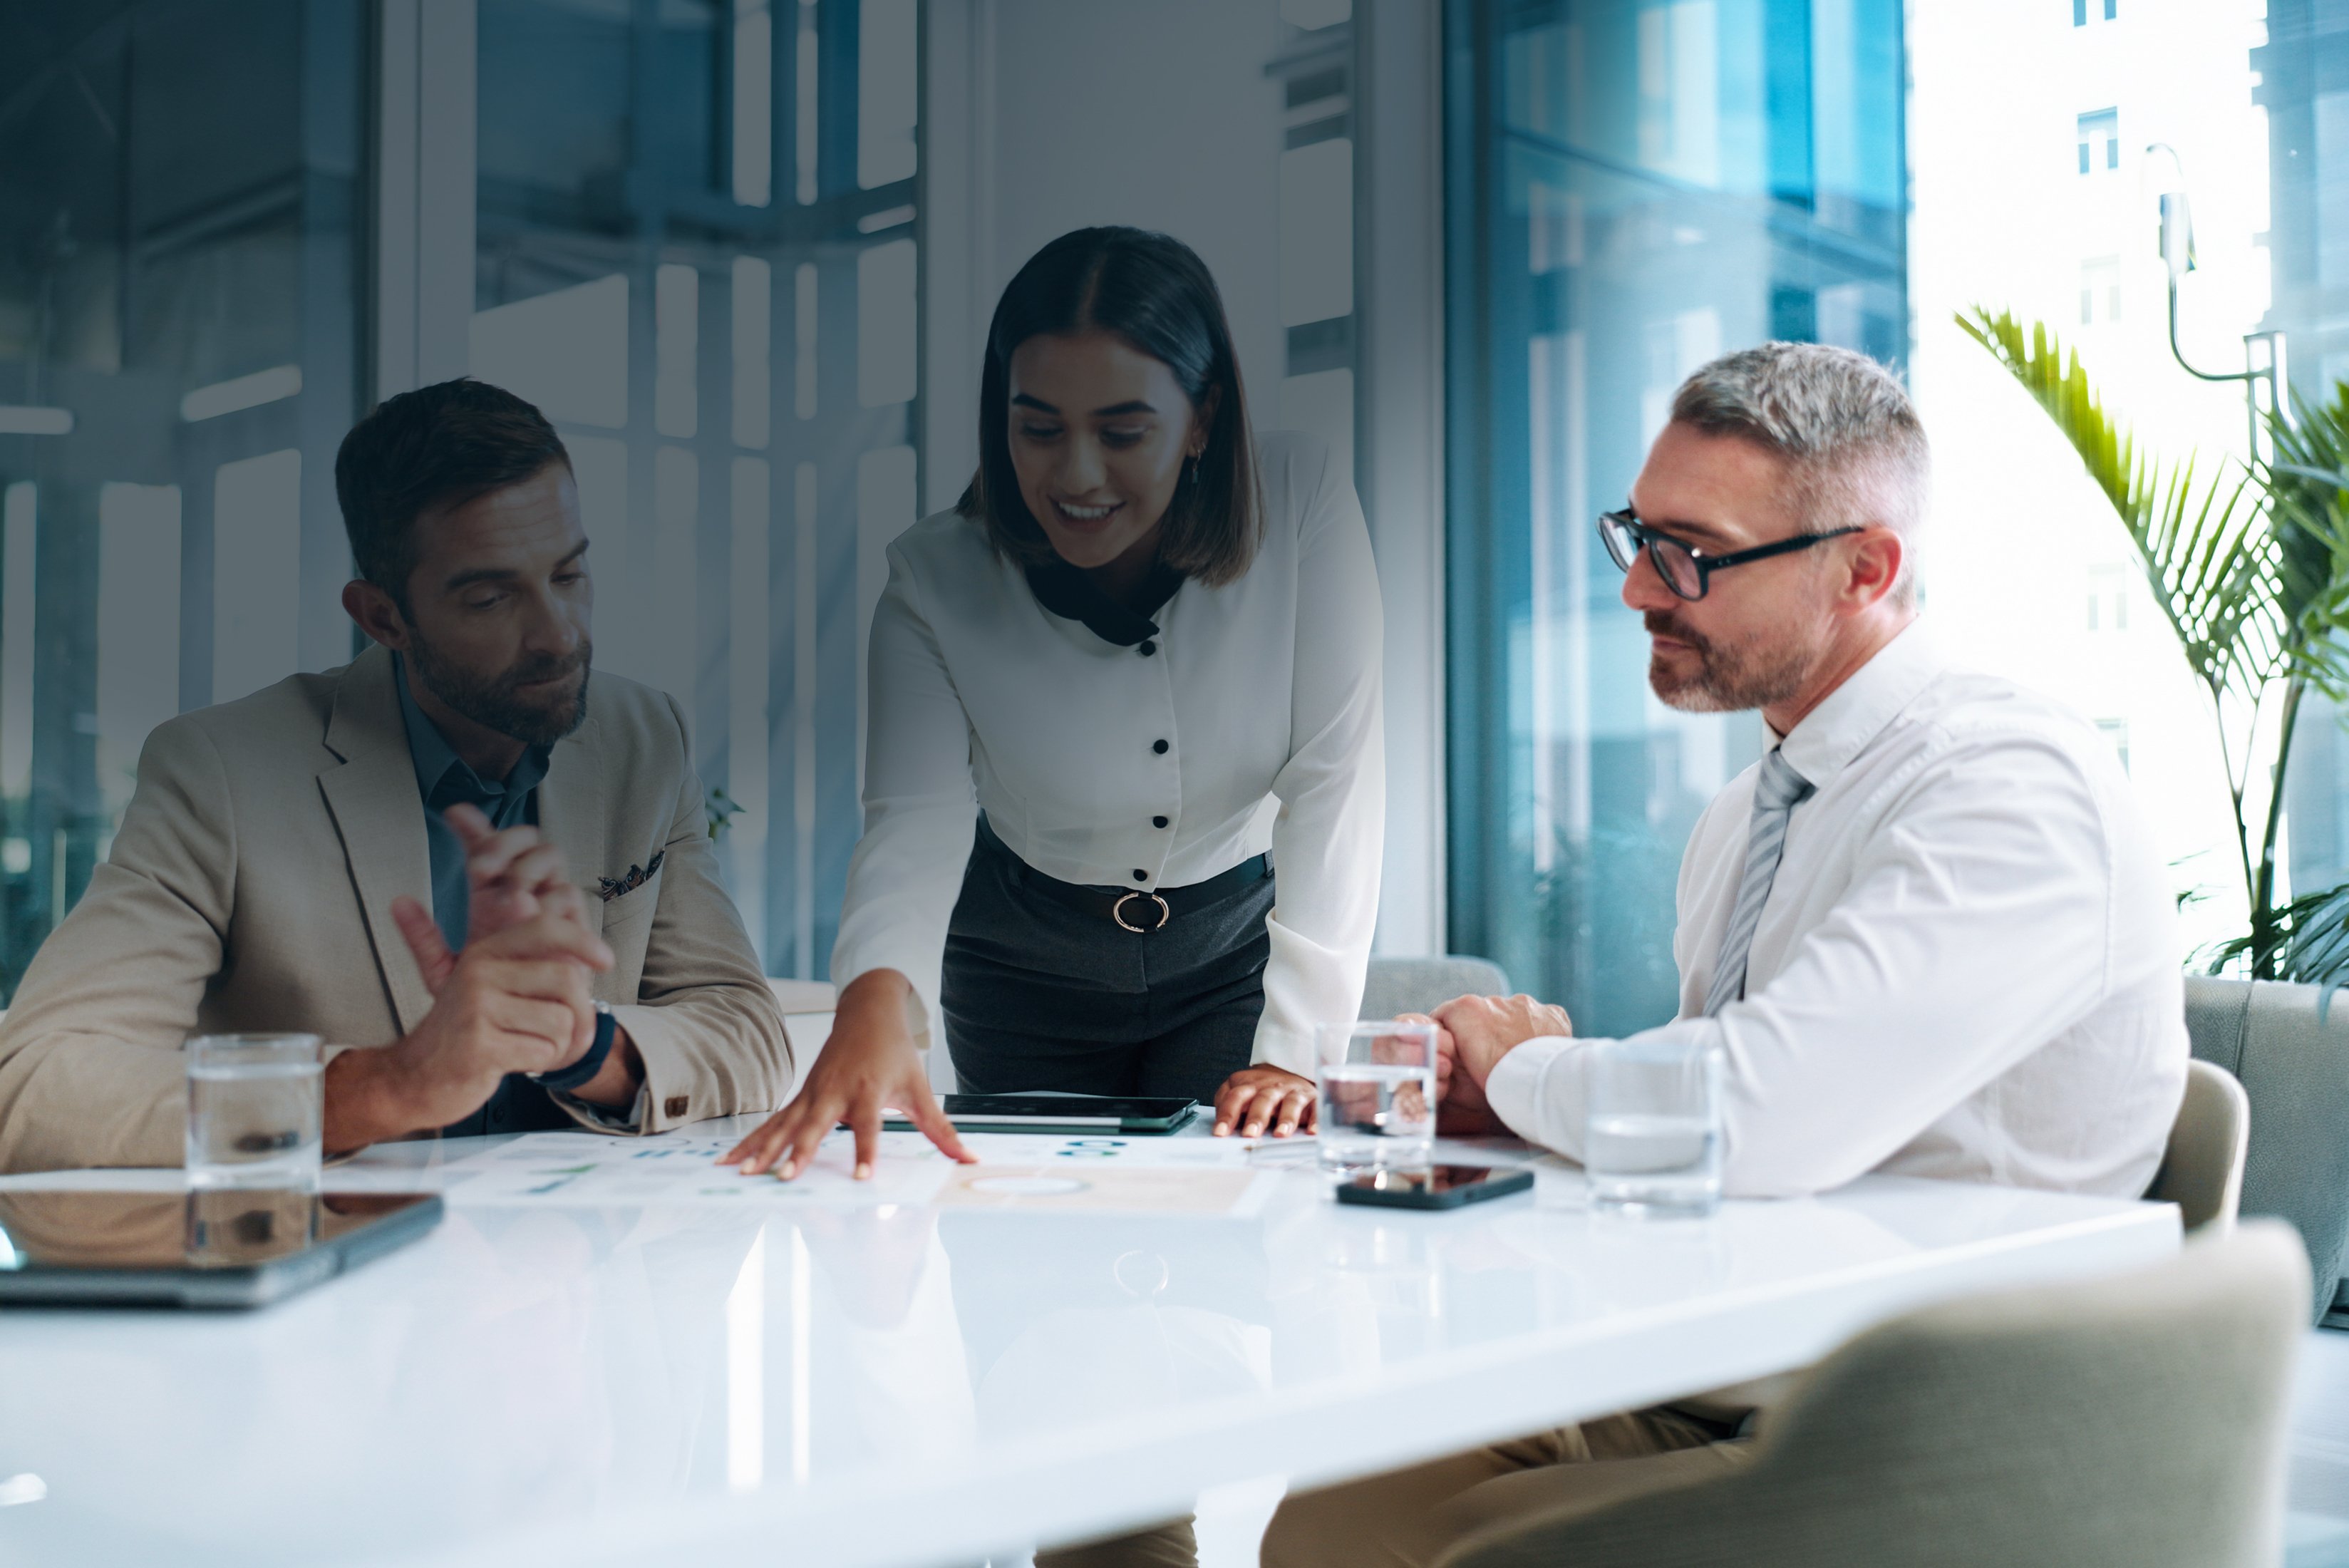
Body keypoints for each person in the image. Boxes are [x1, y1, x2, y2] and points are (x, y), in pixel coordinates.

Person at [1259, 342, 2190, 1568]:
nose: (1641, 591)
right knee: (1329, 1513)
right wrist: (1518, 1105)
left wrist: (1529, 1072)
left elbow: (1751, 1113)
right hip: (1724, 1366)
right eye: (1635, 537)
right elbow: (1724, 1120)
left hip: (1914, 1429)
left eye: (1689, 553)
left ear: (1865, 569)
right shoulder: (1748, 818)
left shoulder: (2008, 790)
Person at [727, 227, 1384, 1187]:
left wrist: (1297, 1043)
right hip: (1021, 973)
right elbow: (913, 823)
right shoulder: (932, 578)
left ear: (1202, 419)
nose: (1076, 475)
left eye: (1122, 432)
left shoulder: (1303, 499)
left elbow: (1340, 777)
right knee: (1029, 1265)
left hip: (1233, 963)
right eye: (1038, 429)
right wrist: (872, 1003)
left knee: (1237, 1254)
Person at [0, 378, 790, 1170]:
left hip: (584, 1264)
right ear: (382, 618)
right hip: (348, 1272)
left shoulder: (642, 737)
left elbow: (746, 1030)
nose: (558, 635)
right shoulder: (224, 772)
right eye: (489, 598)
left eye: (568, 574)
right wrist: (384, 1087)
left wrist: (586, 1046)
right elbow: (30, 1085)